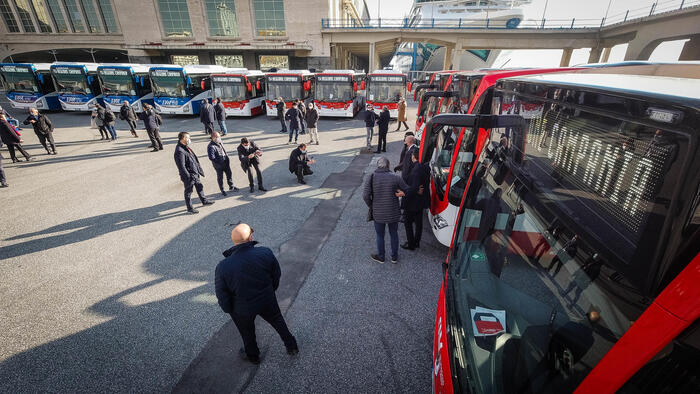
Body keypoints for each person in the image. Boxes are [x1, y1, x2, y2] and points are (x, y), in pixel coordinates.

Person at [215, 223, 299, 364]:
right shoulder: (265, 253)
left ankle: (253, 356)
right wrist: (270, 291)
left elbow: (222, 295)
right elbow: (276, 275)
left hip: (242, 308)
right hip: (266, 299)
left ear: (234, 241)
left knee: (247, 332)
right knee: (278, 320)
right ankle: (291, 346)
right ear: (250, 238)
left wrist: (229, 310)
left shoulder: (223, 267)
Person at [363, 157, 408, 264]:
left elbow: (365, 195)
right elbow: (407, 189)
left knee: (380, 235)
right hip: (393, 211)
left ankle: (381, 257)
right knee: (393, 233)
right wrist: (402, 194)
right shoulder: (395, 177)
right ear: (388, 165)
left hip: (378, 212)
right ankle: (394, 257)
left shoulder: (372, 177)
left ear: (377, 165)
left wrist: (371, 205)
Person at [174, 132, 215, 214]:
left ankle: (204, 201)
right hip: (189, 176)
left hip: (195, 173)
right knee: (188, 192)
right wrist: (188, 176)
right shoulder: (180, 151)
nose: (189, 139)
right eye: (188, 138)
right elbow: (181, 166)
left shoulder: (186, 147)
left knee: (200, 187)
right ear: (183, 138)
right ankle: (190, 208)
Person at [401, 150, 430, 250]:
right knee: (418, 223)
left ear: (413, 156)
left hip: (413, 202)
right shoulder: (423, 167)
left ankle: (411, 243)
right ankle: (416, 241)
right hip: (420, 201)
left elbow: (414, 187)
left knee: (408, 223)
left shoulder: (416, 170)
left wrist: (403, 193)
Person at [207, 131, 239, 196]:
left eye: (219, 136)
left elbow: (223, 150)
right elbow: (211, 157)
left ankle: (231, 186)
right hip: (219, 165)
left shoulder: (219, 142)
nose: (219, 138)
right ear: (213, 138)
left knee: (229, 174)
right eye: (218, 137)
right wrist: (219, 162)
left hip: (226, 162)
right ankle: (222, 190)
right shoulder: (211, 146)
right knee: (220, 178)